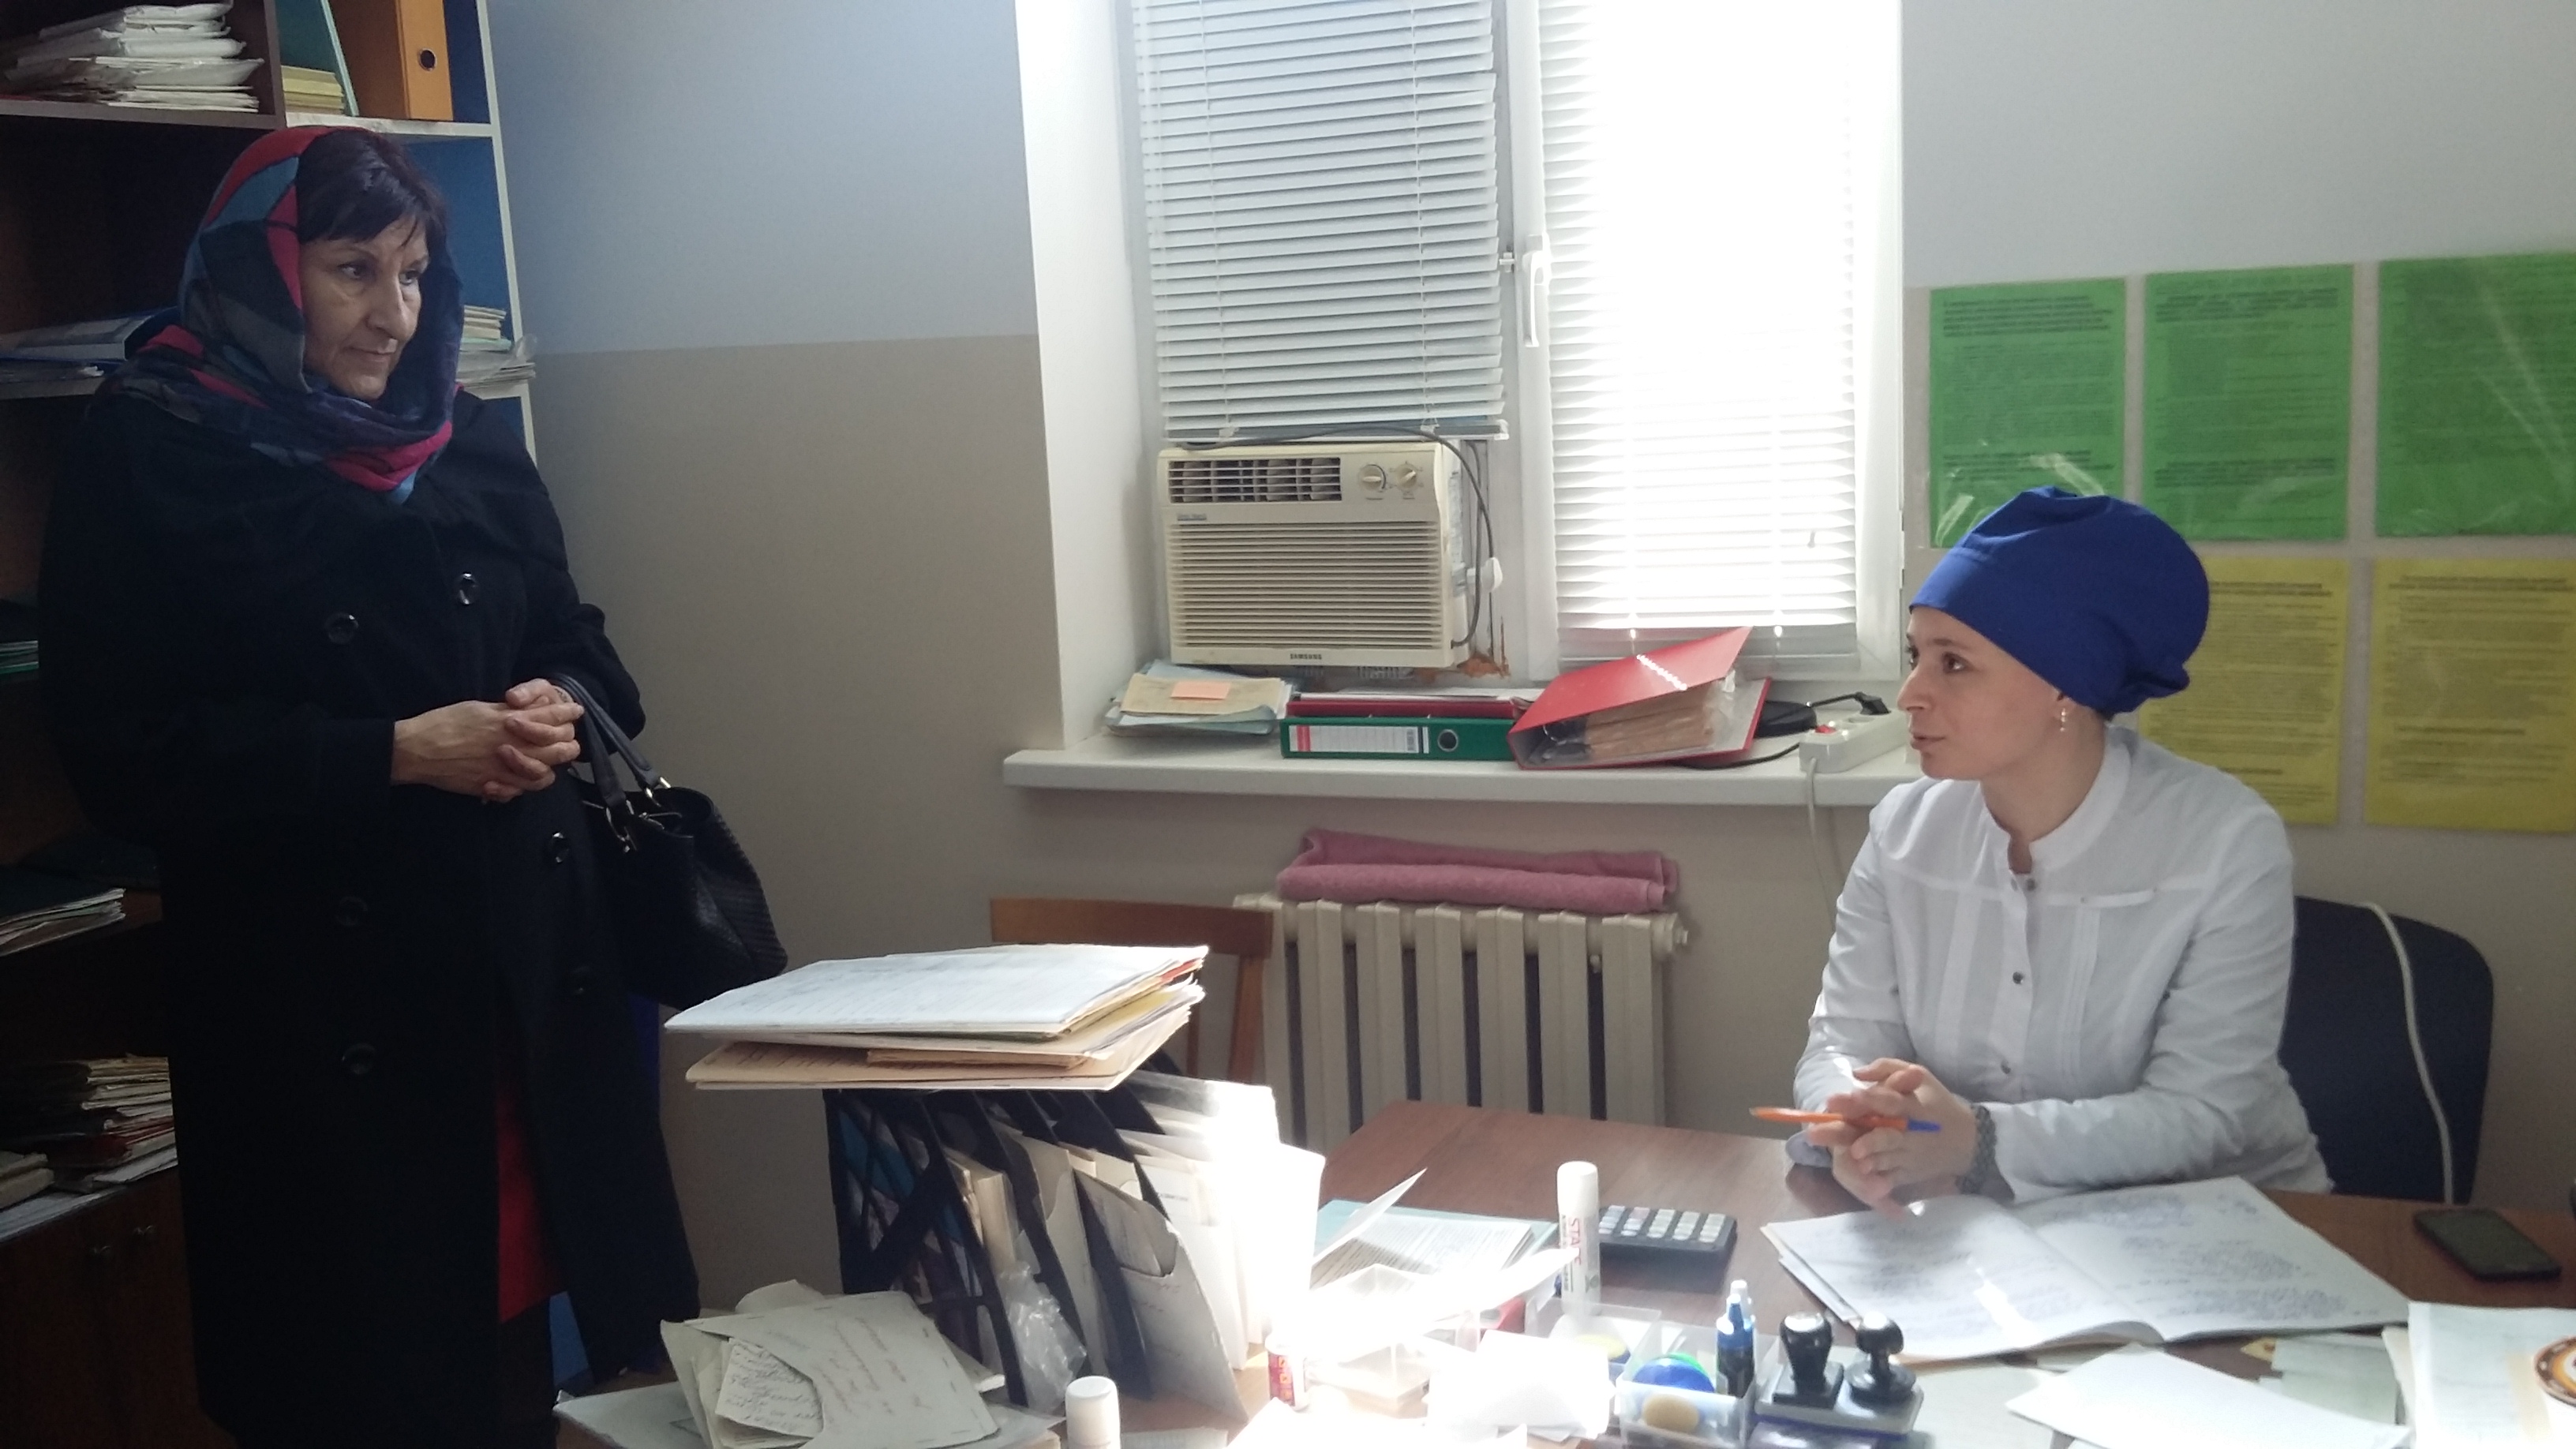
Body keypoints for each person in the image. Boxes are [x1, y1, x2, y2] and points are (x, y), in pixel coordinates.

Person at [40, 128, 737, 1448]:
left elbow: (579, 643)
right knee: (367, 1380)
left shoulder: (460, 432)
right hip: (321, 1015)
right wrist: (399, 751)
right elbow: (126, 753)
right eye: (353, 269)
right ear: (262, 269)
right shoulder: (151, 449)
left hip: (518, 992)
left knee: (518, 1360)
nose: (395, 313)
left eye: (414, 273)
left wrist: (555, 706)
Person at [1790, 486, 2328, 1212]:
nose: (1910, 693)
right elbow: (1841, 1041)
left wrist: (1979, 1138)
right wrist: (1851, 1120)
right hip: (1986, 1223)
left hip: (2217, 1216)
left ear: (2065, 688)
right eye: (1917, 656)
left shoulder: (2224, 840)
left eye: (1954, 664)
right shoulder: (1903, 831)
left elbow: (2202, 1113)